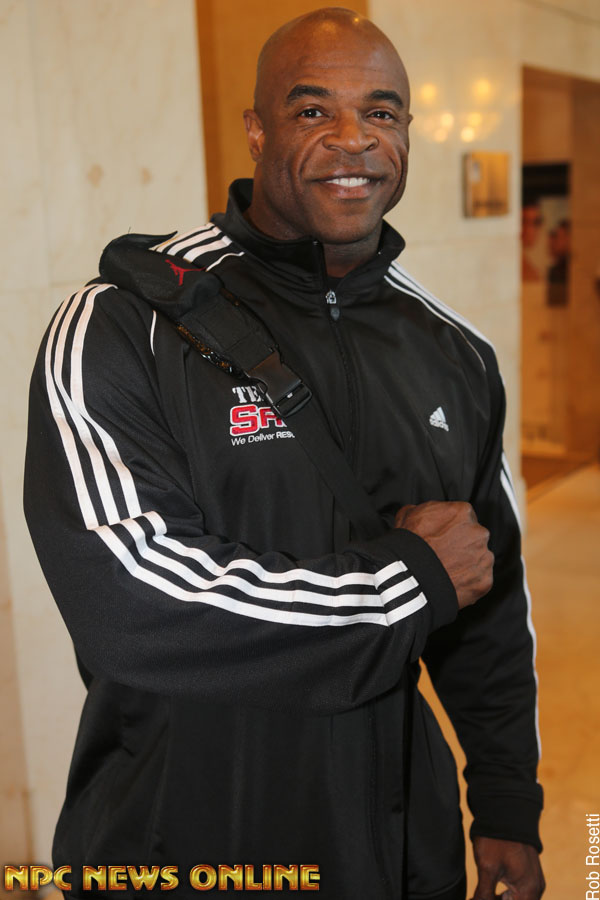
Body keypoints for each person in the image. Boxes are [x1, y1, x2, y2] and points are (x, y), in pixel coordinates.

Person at [24, 8, 544, 900]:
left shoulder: (455, 352)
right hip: (184, 840)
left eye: (381, 112)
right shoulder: (123, 323)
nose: (354, 140)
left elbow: (486, 608)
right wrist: (406, 581)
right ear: (257, 131)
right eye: (313, 111)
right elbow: (134, 603)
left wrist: (504, 802)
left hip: (395, 843)